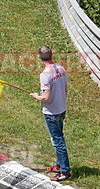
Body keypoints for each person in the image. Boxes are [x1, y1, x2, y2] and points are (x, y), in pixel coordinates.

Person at [30, 45, 71, 181]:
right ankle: (59, 165)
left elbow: (46, 97)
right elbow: (65, 89)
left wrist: (36, 96)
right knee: (59, 136)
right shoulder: (61, 68)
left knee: (57, 141)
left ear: (40, 57)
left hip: (51, 111)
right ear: (51, 54)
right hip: (61, 108)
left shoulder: (44, 75)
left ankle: (65, 171)